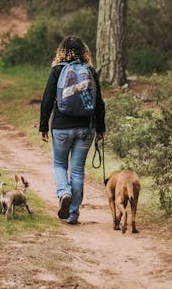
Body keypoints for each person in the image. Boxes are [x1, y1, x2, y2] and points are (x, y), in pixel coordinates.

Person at [39, 36, 106, 225]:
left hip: (61, 127)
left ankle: (64, 193)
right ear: (84, 51)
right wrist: (100, 128)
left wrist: (43, 126)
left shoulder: (57, 70)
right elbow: (99, 103)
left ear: (61, 51)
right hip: (86, 127)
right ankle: (73, 214)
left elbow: (47, 99)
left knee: (60, 165)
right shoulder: (90, 71)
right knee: (77, 171)